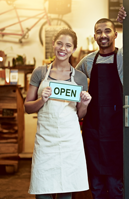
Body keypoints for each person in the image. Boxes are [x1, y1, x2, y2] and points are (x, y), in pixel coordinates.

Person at [75, 6, 129, 199]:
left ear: (115, 34)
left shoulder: (124, 56)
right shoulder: (87, 62)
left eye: (107, 30)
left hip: (118, 129)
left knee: (115, 184)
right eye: (99, 31)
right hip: (94, 131)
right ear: (94, 36)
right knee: (96, 185)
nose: (103, 35)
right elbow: (72, 81)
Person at [25, 28, 92, 199]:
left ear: (74, 49)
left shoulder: (79, 78)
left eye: (68, 45)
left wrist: (84, 104)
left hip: (69, 141)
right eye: (60, 43)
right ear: (53, 44)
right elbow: (27, 107)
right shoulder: (40, 73)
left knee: (66, 192)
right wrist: (42, 100)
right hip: (45, 141)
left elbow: (79, 115)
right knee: (42, 192)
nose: (63, 48)